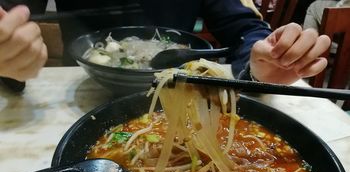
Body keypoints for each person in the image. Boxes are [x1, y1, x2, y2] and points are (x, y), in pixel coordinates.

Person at [0, 0, 330, 86]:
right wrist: (10, 52)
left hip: (175, 90)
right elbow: (13, 14)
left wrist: (261, 66)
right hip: (82, 89)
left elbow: (245, 28)